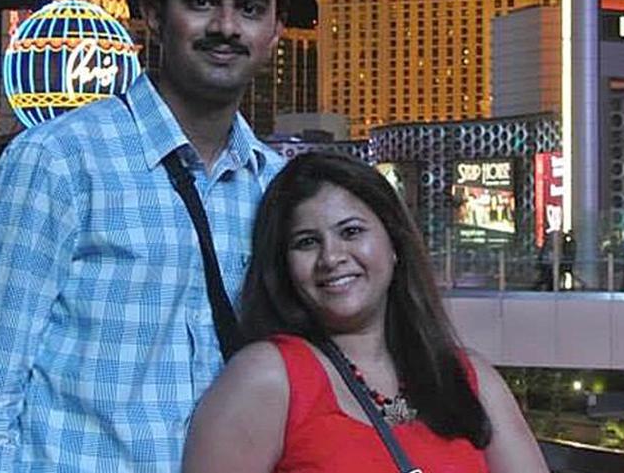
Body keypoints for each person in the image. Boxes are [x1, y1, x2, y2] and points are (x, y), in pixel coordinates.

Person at [0, 0, 290, 471]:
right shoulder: (58, 160)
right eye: (201, 1)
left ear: (274, 32)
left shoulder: (275, 186)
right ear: (152, 16)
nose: (226, 26)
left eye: (249, 9)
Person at [183, 152, 548, 472]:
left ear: (394, 242)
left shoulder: (468, 378)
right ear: (283, 266)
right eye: (307, 242)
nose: (331, 257)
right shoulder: (266, 378)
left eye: (351, 232)